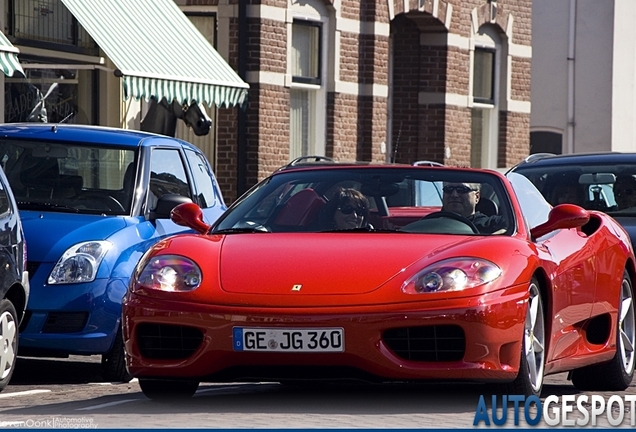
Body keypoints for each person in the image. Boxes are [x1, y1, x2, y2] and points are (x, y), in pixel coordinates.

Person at [441, 182, 507, 234]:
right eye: (448, 189)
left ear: (477, 196)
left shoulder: (491, 224)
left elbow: (513, 227)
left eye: (462, 189)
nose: (454, 195)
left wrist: (490, 240)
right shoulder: (432, 223)